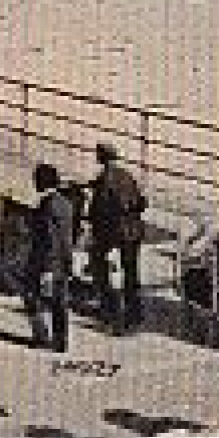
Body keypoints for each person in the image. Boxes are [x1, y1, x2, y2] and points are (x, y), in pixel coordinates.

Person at [87, 141, 148, 334]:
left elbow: (100, 210)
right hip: (134, 231)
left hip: (115, 232)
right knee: (131, 274)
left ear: (102, 157)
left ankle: (109, 310)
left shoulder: (105, 178)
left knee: (98, 264)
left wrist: (94, 229)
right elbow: (141, 202)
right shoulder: (126, 175)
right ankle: (134, 315)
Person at [25, 162, 74, 353]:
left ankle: (41, 336)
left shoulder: (46, 207)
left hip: (46, 261)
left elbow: (49, 239)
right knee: (60, 302)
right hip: (64, 259)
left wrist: (46, 268)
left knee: (32, 296)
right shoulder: (65, 203)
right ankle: (61, 342)